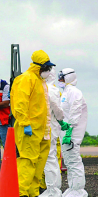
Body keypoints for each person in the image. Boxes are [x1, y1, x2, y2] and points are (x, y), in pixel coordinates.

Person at [10, 50, 55, 197]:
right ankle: (22, 192)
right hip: (28, 129)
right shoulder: (26, 79)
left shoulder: (41, 82)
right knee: (27, 162)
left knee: (39, 164)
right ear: (38, 67)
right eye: (46, 68)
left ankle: (33, 193)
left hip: (42, 131)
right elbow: (19, 104)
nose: (48, 71)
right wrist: (25, 123)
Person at [57, 68, 88, 197]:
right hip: (65, 133)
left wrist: (70, 130)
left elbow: (75, 111)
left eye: (62, 77)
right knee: (69, 162)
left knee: (74, 160)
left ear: (68, 78)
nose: (59, 80)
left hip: (72, 133)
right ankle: (73, 188)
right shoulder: (65, 92)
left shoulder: (74, 92)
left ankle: (79, 190)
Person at [39, 67, 64, 197]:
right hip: (49, 127)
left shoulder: (49, 89)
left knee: (50, 158)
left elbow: (58, 111)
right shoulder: (49, 88)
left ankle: (53, 190)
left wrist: (61, 119)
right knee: (50, 158)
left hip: (50, 128)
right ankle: (53, 189)